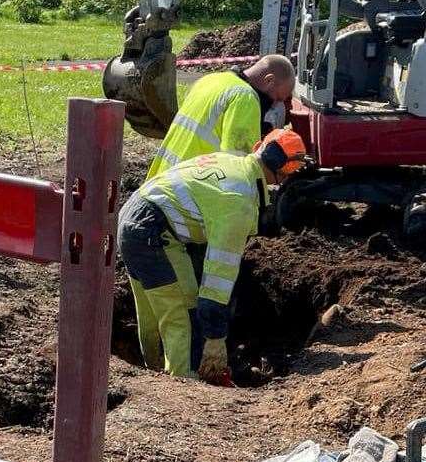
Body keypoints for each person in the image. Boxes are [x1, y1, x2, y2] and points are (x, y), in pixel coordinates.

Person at [119, 128, 308, 383]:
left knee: (153, 311)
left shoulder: (232, 163)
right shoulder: (239, 202)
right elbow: (217, 281)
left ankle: (152, 373)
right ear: (284, 169)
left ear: (258, 147)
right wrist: (215, 339)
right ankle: (183, 386)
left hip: (135, 218)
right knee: (182, 316)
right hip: (153, 233)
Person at [147, 54, 296, 180]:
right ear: (269, 80)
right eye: (277, 98)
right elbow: (241, 169)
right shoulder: (245, 98)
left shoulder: (210, 80)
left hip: (163, 177)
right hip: (191, 189)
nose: (274, 105)